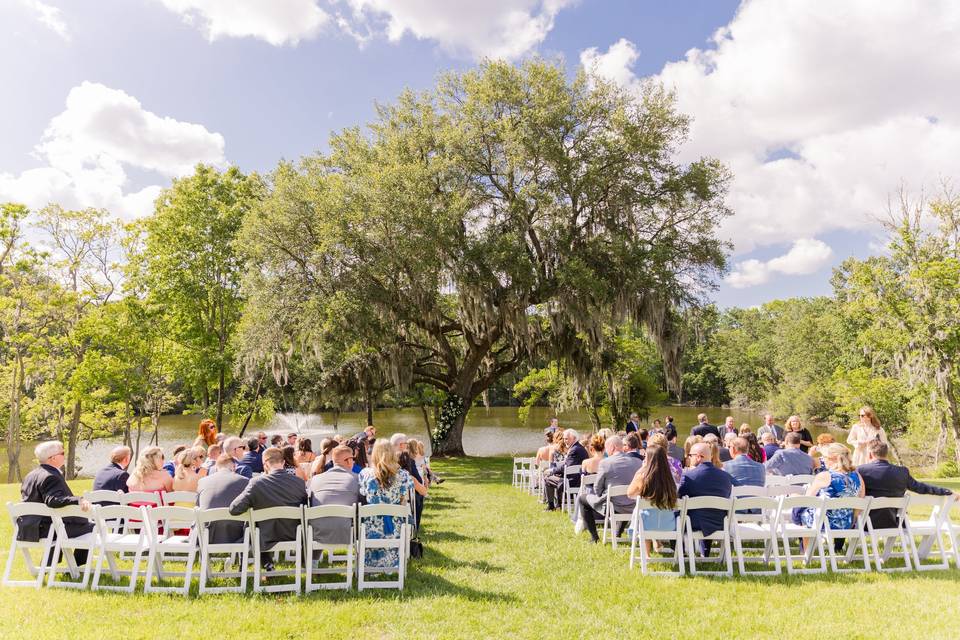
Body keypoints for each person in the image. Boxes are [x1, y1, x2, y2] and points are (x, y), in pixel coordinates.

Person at [229, 447, 308, 571]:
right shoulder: (299, 483)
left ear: (265, 464)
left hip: (264, 536)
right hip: (293, 534)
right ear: (283, 463)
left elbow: (234, 509)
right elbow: (305, 508)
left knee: (250, 525)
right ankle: (304, 564)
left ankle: (264, 564)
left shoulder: (256, 483)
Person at [19, 441, 94, 566]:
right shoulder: (51, 476)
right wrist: (78, 500)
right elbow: (53, 500)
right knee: (92, 527)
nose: (65, 455)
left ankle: (47, 565)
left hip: (27, 528)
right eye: (62, 453)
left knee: (61, 524)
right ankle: (76, 567)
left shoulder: (30, 475)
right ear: (53, 458)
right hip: (46, 530)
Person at [858, 441, 956, 529]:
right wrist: (946, 491)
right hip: (895, 523)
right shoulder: (902, 472)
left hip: (866, 524)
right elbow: (921, 488)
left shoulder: (860, 471)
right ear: (886, 454)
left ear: (870, 454)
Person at [358, 440, 426, 568]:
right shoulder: (403, 475)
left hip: (371, 526)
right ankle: (394, 564)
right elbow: (403, 498)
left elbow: (363, 494)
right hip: (396, 528)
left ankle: (371, 565)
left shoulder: (365, 474)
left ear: (374, 454)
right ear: (393, 454)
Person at [794, 444, 864, 550]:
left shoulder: (825, 476)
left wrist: (795, 497)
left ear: (834, 458)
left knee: (799, 511)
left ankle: (805, 552)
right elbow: (860, 501)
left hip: (824, 522)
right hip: (845, 523)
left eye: (825, 457)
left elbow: (807, 500)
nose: (823, 460)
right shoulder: (857, 476)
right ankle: (837, 548)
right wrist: (852, 521)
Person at [576, 433, 644, 543]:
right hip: (634, 505)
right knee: (623, 498)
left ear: (612, 447)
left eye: (607, 449)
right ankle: (617, 533)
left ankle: (594, 537)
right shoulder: (638, 462)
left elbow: (597, 489)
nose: (606, 452)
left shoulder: (605, 463)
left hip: (614, 506)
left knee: (582, 499)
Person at [678, 442, 737, 556]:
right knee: (708, 511)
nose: (688, 458)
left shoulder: (689, 476)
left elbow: (680, 498)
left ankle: (680, 552)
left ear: (699, 456)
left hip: (693, 523)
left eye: (690, 455)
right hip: (720, 522)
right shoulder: (725, 476)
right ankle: (705, 552)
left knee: (677, 514)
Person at [627, 444, 679, 551]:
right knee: (653, 513)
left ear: (648, 459)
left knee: (644, 515)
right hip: (669, 525)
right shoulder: (671, 479)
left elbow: (630, 494)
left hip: (646, 526)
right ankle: (656, 543)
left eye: (646, 456)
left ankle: (647, 554)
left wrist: (641, 470)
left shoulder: (642, 477)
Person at [307, 445, 361, 545]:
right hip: (347, 531)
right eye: (353, 459)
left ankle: (314, 558)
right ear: (348, 461)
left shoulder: (315, 479)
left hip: (317, 531)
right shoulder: (357, 479)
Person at [197, 454, 250, 543]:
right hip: (237, 534)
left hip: (208, 532)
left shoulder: (202, 481)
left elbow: (198, 506)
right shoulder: (245, 481)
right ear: (234, 467)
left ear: (216, 468)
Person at [544, 429, 588, 511]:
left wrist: (552, 470)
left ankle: (551, 506)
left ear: (574, 438)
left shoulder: (574, 449)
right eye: (564, 439)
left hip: (571, 482)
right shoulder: (579, 448)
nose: (565, 441)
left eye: (567, 439)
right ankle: (559, 504)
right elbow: (569, 464)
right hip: (579, 480)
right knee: (557, 475)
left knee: (547, 479)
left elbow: (566, 467)